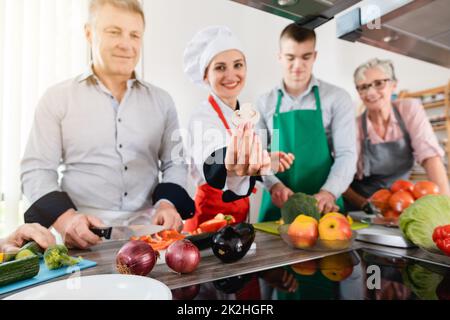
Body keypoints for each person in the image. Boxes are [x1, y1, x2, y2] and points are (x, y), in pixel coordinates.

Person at [20, 0, 194, 249]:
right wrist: (67, 219)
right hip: (82, 239)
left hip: (149, 239)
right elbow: (36, 170)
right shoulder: (57, 98)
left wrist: (168, 203)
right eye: (114, 32)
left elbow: (175, 163)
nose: (126, 44)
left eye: (135, 35)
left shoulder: (162, 101)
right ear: (89, 33)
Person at [182, 26, 294, 232]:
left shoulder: (245, 114)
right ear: (205, 76)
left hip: (240, 216)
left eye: (237, 65)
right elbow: (212, 159)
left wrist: (267, 170)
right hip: (207, 221)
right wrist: (231, 161)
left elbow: (246, 163)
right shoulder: (202, 116)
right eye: (220, 67)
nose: (231, 75)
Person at [256, 23, 357, 222]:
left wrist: (329, 192)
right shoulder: (263, 102)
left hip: (325, 208)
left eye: (306, 57)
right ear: (279, 57)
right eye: (290, 57)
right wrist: (273, 185)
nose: (297, 66)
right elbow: (258, 157)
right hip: (278, 207)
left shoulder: (337, 98)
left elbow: (347, 154)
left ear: (315, 56)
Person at [343, 58, 450, 211]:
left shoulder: (409, 109)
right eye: (363, 87)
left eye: (379, 83)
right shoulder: (354, 127)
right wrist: (365, 205)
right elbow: (341, 176)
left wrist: (446, 208)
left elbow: (430, 157)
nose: (371, 92)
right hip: (359, 206)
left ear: (393, 85)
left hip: (400, 203)